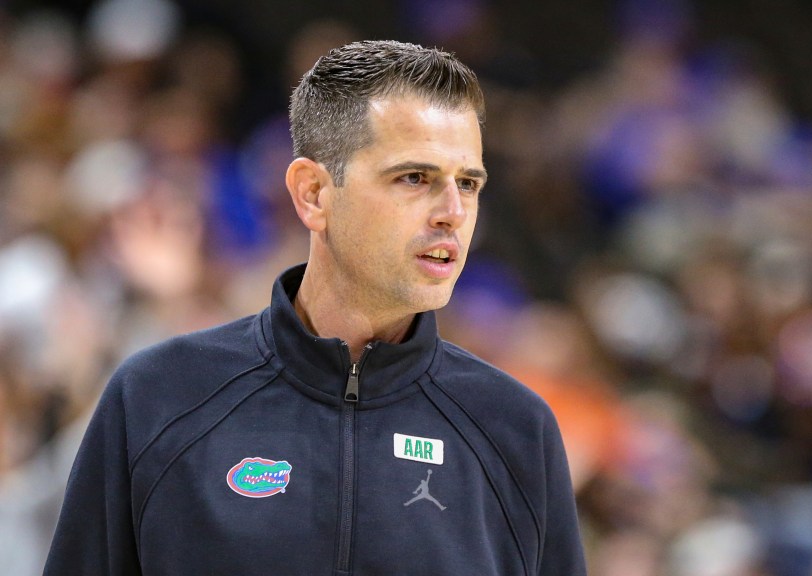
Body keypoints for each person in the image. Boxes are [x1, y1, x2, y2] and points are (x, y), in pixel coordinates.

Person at [44, 40, 587, 576]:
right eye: (415, 178)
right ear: (312, 194)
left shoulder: (516, 429)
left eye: (467, 184)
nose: (452, 213)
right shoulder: (158, 396)